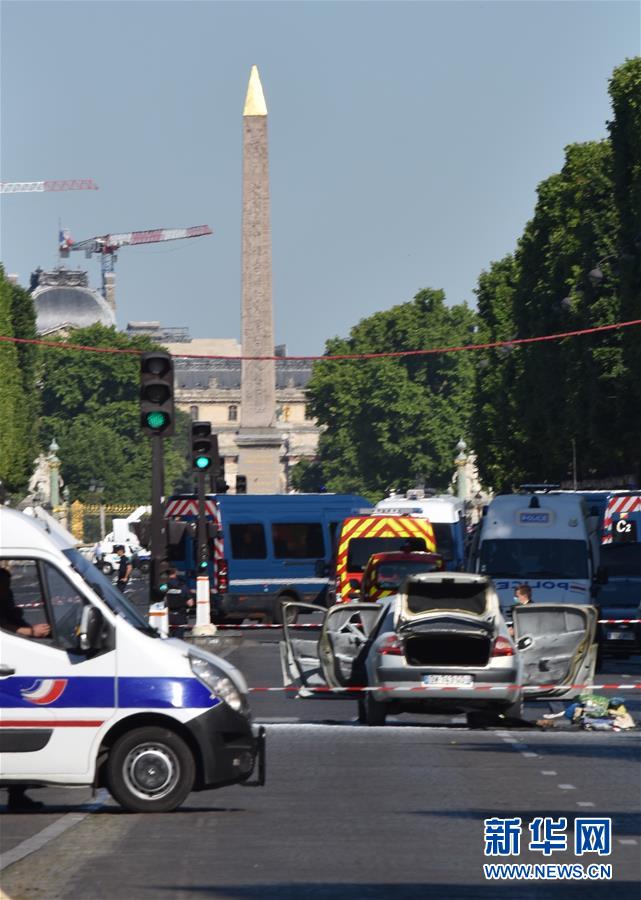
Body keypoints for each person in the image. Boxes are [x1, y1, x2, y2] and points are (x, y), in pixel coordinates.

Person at [0, 567, 51, 811]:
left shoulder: (6, 602)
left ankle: (17, 794)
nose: (8, 592)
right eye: (4, 587)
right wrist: (31, 632)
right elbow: (5, 629)